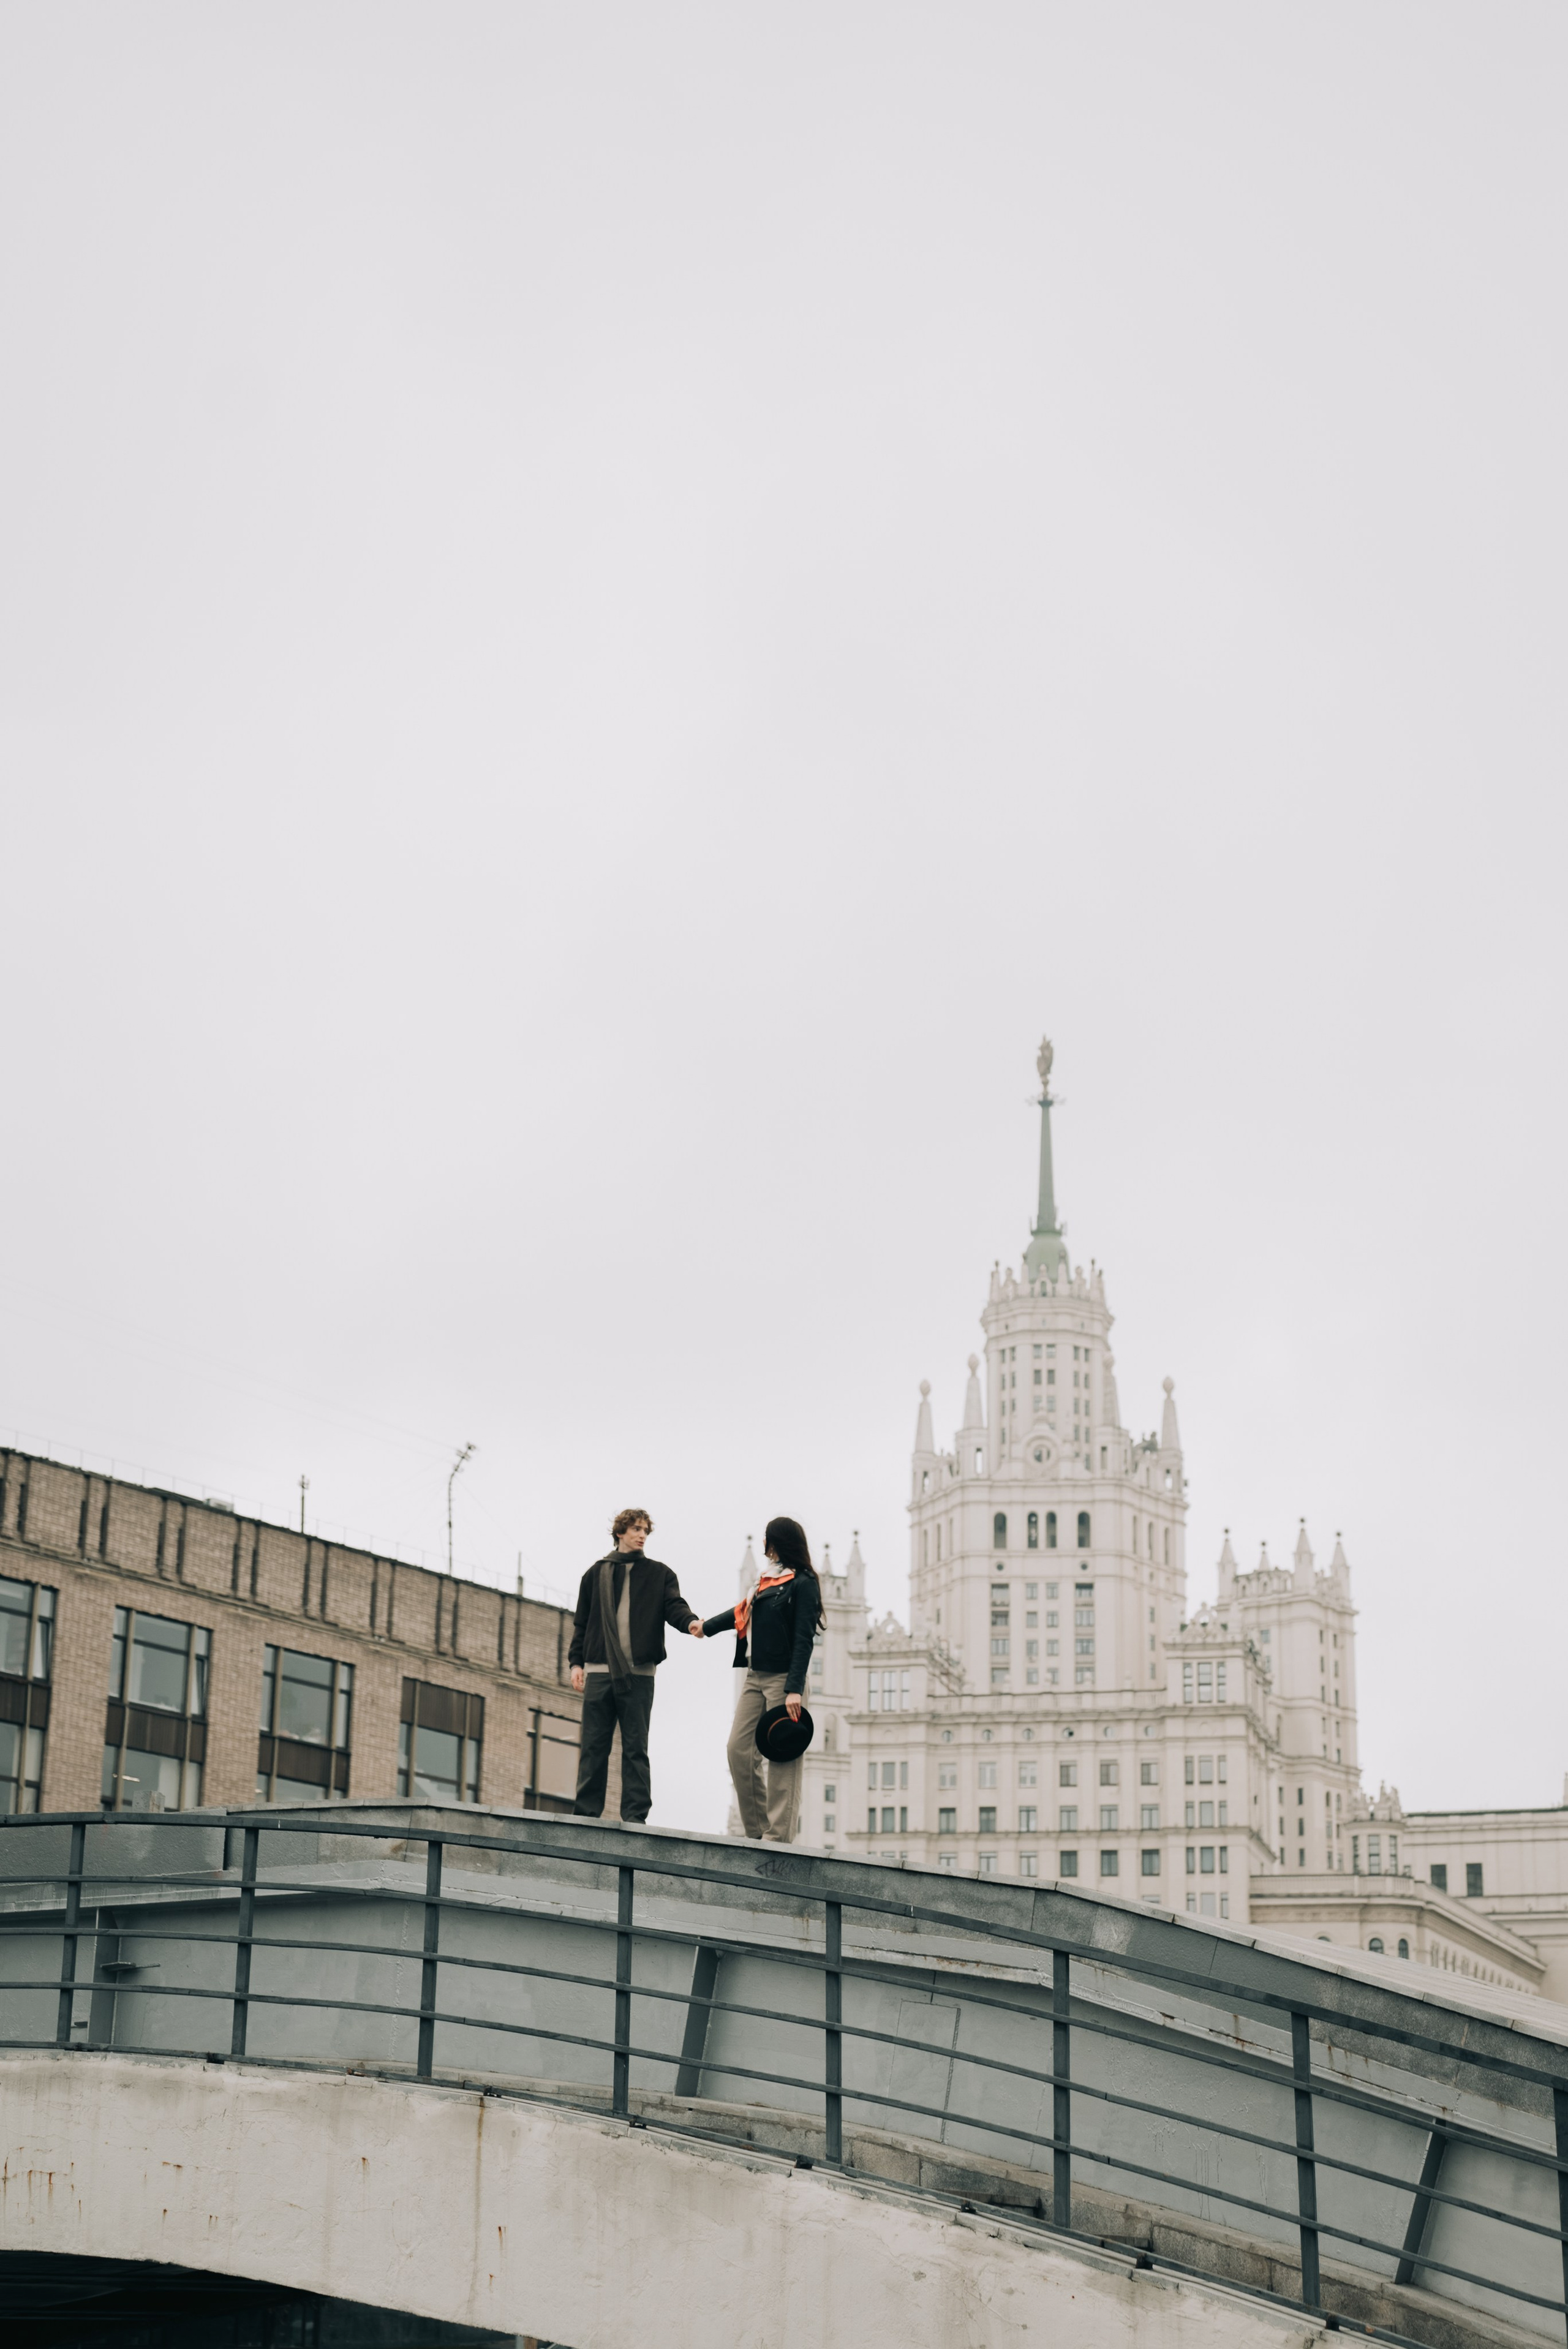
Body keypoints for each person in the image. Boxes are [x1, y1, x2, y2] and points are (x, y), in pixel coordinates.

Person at [569, 1509, 699, 1823]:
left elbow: (674, 1606)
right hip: (599, 1671)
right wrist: (576, 1663)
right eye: (636, 1529)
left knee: (636, 1749)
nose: (642, 1535)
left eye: (645, 1531)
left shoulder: (660, 1574)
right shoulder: (595, 1574)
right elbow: (581, 1623)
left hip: (639, 1675)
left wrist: (691, 1622)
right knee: (593, 1749)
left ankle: (635, 1818)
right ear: (620, 1533)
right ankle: (586, 1816)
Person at [698, 1515, 821, 1844]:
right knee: (738, 1750)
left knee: (784, 1756)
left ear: (777, 1542)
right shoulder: (765, 1582)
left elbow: (804, 1638)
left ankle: (777, 1838)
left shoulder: (803, 1582)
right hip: (755, 1675)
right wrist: (705, 1627)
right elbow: (742, 1611)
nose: (766, 1548)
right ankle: (757, 1833)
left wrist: (795, 1688)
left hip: (784, 1680)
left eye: (769, 1540)